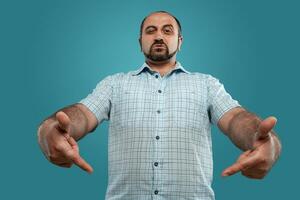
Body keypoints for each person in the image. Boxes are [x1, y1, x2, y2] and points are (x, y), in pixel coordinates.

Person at [37, 11, 282, 200]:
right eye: (150, 30)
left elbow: (235, 119)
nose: (158, 36)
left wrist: (259, 139)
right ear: (140, 40)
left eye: (167, 30)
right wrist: (49, 129)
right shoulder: (114, 84)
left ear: (180, 40)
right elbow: (82, 114)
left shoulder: (206, 84)